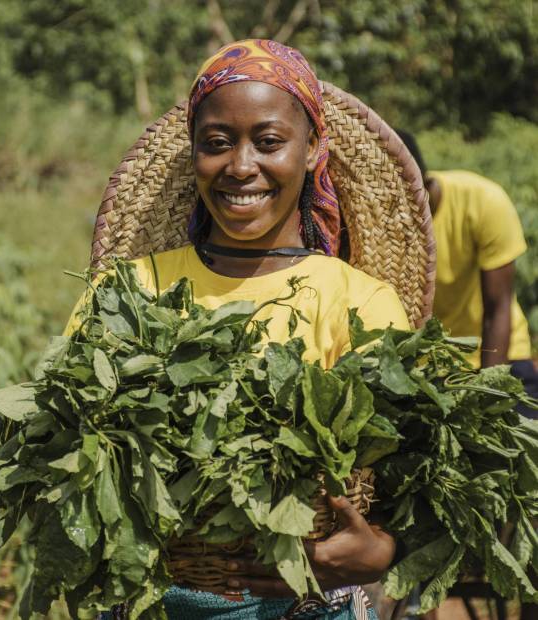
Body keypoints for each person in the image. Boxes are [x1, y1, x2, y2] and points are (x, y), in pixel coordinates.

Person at [68, 40, 421, 620]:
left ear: (313, 150)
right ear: (194, 155)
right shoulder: (127, 294)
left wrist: (383, 551)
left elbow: (410, 477)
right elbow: (73, 439)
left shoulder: (359, 301)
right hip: (152, 602)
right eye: (217, 144)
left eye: (269, 141)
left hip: (306, 607)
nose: (240, 166)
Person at [397, 131, 538, 420]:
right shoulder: (387, 222)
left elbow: (497, 308)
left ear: (423, 183)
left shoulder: (482, 201)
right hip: (437, 368)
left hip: (500, 356)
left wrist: (486, 399)